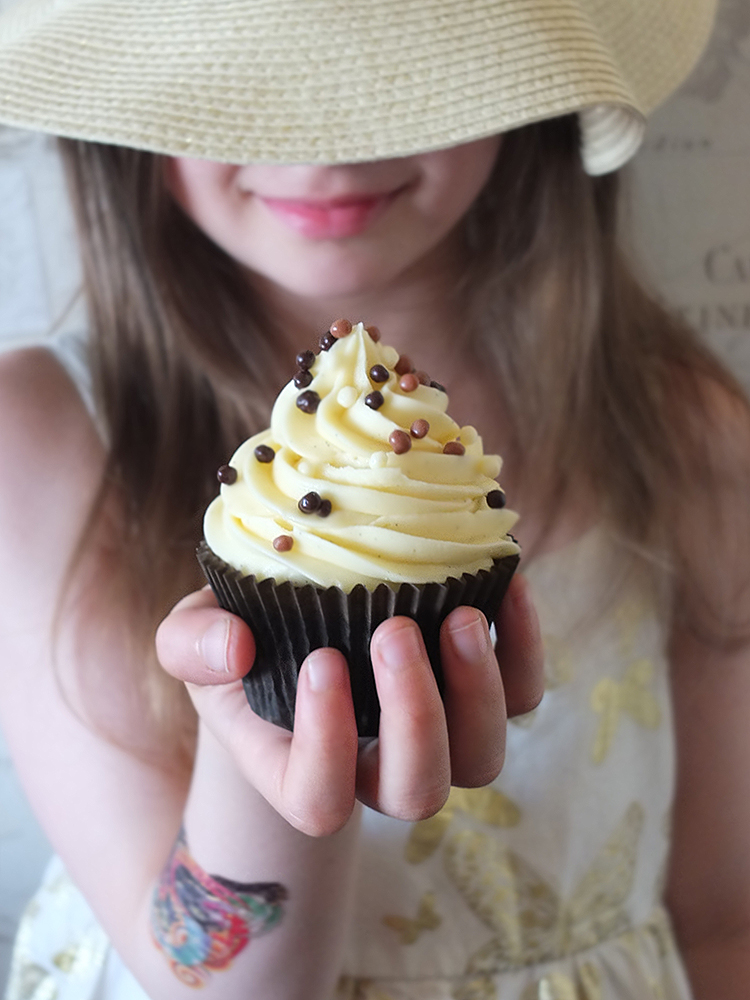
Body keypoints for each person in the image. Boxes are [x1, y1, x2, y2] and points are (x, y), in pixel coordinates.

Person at [0, 0, 748, 997]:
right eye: (245, 60)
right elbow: (212, 985)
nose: (328, 147)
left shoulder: (686, 435)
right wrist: (262, 751)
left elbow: (725, 916)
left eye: (398, 56)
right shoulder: (43, 443)